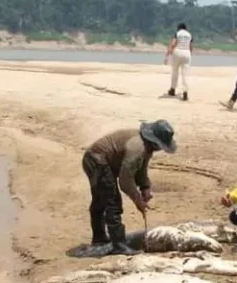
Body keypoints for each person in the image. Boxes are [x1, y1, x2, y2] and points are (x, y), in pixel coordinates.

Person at [81, 120, 178, 256]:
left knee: (101, 200)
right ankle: (118, 244)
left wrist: (145, 187)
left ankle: (100, 239)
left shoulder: (145, 147)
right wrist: (138, 200)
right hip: (96, 160)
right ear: (155, 142)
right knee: (112, 201)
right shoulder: (137, 148)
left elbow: (141, 169)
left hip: (100, 160)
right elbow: (125, 181)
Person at [164, 23, 193, 101]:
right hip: (187, 53)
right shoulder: (189, 35)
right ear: (185, 28)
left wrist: (167, 54)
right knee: (185, 74)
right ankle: (185, 92)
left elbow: (173, 44)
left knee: (175, 72)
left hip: (178, 52)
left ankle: (172, 89)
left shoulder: (177, 34)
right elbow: (190, 46)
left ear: (179, 28)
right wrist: (189, 54)